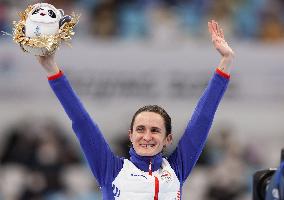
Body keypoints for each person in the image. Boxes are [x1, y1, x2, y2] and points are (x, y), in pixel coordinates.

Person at [35, 20, 234, 199]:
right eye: (140, 129)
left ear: (168, 139)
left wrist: (226, 61)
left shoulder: (176, 169)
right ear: (130, 135)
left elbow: (203, 118)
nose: (146, 136)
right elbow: (81, 122)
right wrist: (52, 69)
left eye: (155, 130)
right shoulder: (110, 170)